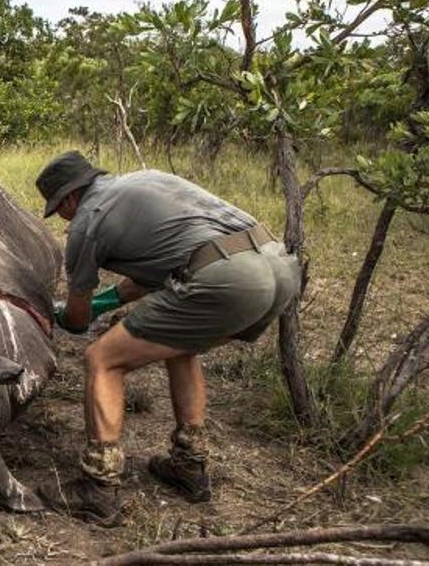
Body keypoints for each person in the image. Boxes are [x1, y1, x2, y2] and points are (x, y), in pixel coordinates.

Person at [35, 151, 300, 526]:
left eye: (57, 209)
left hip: (230, 280)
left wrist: (62, 312)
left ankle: (99, 487)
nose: (62, 218)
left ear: (69, 199)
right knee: (181, 345)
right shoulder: (147, 181)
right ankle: (190, 465)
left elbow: (76, 322)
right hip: (278, 268)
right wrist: (107, 303)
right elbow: (161, 269)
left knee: (102, 359)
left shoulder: (86, 221)